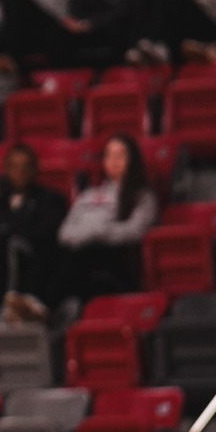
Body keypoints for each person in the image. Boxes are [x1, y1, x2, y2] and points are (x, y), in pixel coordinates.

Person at [46, 134, 157, 312]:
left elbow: (135, 230)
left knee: (83, 254)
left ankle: (48, 307)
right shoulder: (88, 194)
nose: (113, 161)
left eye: (120, 156)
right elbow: (65, 230)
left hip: (116, 254)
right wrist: (81, 236)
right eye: (109, 156)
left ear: (133, 160)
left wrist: (100, 232)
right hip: (80, 248)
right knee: (50, 252)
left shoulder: (142, 196)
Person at [0, 144, 70, 321]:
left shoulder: (51, 199)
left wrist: (7, 233)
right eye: (14, 167)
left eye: (26, 166)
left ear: (35, 169)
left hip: (39, 260)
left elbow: (46, 231)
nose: (20, 172)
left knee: (13, 243)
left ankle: (12, 305)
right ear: (6, 170)